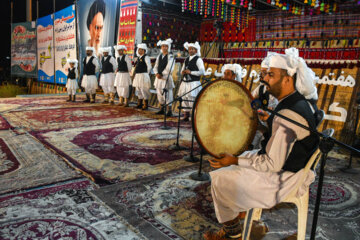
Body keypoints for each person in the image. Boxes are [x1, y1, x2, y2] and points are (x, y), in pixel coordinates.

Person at [203, 48, 320, 240]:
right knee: (232, 163)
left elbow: (272, 164)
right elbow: (285, 140)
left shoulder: (288, 114)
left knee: (220, 177)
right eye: (265, 74)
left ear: (287, 79)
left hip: (284, 178)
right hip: (290, 165)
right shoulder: (299, 101)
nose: (265, 79)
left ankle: (234, 233)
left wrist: (234, 161)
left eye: (271, 75)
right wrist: (267, 124)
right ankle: (243, 217)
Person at [250, 52, 279, 149]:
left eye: (265, 73)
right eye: (262, 73)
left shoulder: (277, 91)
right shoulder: (261, 88)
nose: (263, 76)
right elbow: (251, 99)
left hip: (273, 129)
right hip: (260, 125)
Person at [178, 41, 205, 121]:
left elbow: (202, 72)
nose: (191, 50)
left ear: (196, 51)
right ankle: (186, 115)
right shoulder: (186, 59)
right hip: (185, 82)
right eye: (189, 49)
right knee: (184, 97)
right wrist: (182, 72)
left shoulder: (198, 60)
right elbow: (182, 70)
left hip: (193, 83)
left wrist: (191, 72)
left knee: (192, 99)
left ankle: (194, 117)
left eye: (192, 49)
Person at [153, 38, 175, 116]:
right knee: (159, 93)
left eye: (166, 46)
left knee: (168, 94)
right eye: (163, 46)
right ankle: (162, 109)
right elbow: (155, 66)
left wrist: (161, 74)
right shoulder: (159, 56)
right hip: (158, 78)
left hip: (166, 78)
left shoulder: (170, 56)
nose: (164, 48)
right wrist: (156, 74)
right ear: (161, 47)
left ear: (168, 47)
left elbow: (169, 68)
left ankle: (169, 111)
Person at [132, 43, 151, 110]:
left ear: (144, 50)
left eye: (141, 49)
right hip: (138, 75)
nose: (139, 51)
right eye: (139, 49)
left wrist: (146, 74)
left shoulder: (146, 57)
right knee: (138, 89)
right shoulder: (138, 58)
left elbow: (149, 66)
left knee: (144, 89)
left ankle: (145, 104)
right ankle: (139, 103)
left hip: (143, 75)